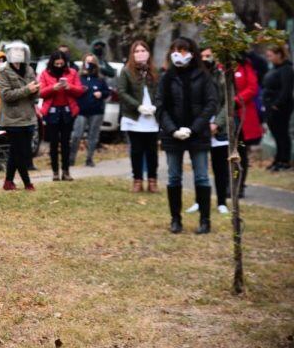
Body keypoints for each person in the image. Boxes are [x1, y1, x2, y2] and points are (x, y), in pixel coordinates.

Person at [156, 37, 217, 235]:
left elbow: (210, 104)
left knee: (201, 177)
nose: (178, 55)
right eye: (175, 50)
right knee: (174, 177)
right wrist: (172, 130)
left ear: (191, 53)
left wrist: (194, 128)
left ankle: (205, 220)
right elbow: (161, 107)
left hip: (197, 134)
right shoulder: (167, 77)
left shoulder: (203, 75)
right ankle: (175, 219)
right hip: (173, 135)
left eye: (183, 51)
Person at [185, 47, 230, 215]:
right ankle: (199, 201)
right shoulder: (193, 77)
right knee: (199, 168)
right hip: (199, 129)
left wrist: (217, 124)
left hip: (219, 130)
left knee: (220, 168)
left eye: (208, 55)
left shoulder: (223, 77)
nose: (205, 59)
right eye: (202, 56)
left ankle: (221, 202)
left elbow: (228, 104)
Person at [118, 40, 160, 193]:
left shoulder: (155, 71)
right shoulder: (126, 71)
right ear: (132, 54)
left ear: (148, 53)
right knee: (136, 150)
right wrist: (138, 106)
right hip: (134, 117)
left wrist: (156, 106)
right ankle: (137, 180)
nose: (140, 53)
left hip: (152, 116)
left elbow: (161, 92)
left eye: (143, 50)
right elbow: (121, 92)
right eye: (137, 51)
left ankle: (152, 180)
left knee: (152, 151)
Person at [0, 41, 38, 191]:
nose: (17, 53)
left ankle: (8, 181)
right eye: (14, 51)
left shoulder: (29, 70)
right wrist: (27, 90)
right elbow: (6, 95)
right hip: (12, 119)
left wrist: (35, 91)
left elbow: (35, 91)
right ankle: (27, 183)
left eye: (20, 50)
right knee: (19, 152)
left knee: (18, 151)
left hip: (28, 116)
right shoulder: (3, 71)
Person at [39, 50, 84, 181]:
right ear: (52, 63)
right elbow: (40, 92)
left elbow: (80, 90)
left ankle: (66, 171)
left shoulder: (72, 73)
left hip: (68, 111)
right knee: (53, 143)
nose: (59, 66)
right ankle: (55, 172)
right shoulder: (45, 74)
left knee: (66, 143)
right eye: (56, 64)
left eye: (61, 63)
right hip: (52, 111)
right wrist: (53, 88)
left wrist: (69, 86)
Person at [70, 53, 111, 168]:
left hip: (96, 111)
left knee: (93, 136)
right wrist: (79, 90)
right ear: (84, 63)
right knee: (77, 135)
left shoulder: (100, 78)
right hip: (81, 111)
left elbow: (107, 92)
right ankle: (71, 159)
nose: (89, 64)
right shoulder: (78, 77)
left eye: (91, 62)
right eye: (87, 62)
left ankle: (89, 159)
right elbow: (72, 91)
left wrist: (101, 94)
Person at [233, 53, 264, 197]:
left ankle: (239, 184)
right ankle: (229, 183)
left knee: (240, 153)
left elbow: (252, 88)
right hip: (225, 117)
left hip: (242, 116)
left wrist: (236, 100)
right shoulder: (221, 67)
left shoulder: (245, 67)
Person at [263, 44, 293, 171]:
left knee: (282, 134)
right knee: (276, 134)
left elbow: (286, 90)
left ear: (279, 54)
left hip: (280, 108)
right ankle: (278, 158)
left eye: (270, 55)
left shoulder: (286, 69)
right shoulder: (275, 68)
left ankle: (284, 160)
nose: (269, 58)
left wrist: (276, 104)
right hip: (271, 106)